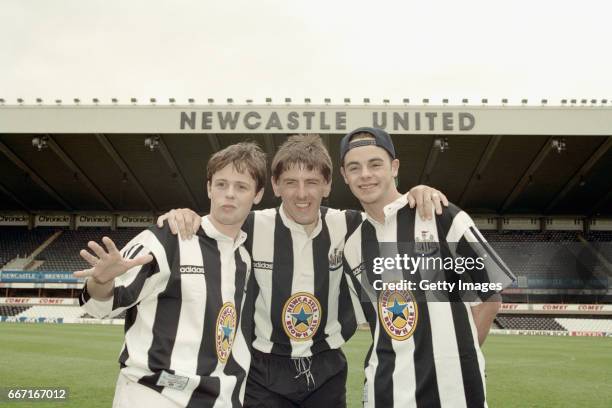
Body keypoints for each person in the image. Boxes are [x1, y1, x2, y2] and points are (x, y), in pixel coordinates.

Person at [158, 134, 449, 408]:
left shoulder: (349, 225)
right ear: (274, 185)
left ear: (327, 185)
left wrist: (418, 193)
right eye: (290, 182)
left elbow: (387, 214)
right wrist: (183, 215)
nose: (301, 194)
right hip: (264, 370)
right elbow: (212, 224)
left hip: (327, 369)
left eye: (311, 182)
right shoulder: (250, 225)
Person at [74, 142, 267, 408]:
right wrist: (101, 280)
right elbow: (100, 306)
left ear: (257, 195)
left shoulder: (245, 258)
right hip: (154, 394)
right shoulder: (168, 238)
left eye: (242, 186)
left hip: (221, 399)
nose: (230, 194)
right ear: (209, 188)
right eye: (221, 184)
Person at [339, 127, 515, 407]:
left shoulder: (440, 215)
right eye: (354, 167)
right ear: (344, 176)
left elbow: (489, 299)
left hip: (453, 395)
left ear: (394, 167)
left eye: (375, 164)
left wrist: (454, 360)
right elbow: (377, 325)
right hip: (385, 394)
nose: (365, 175)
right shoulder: (353, 245)